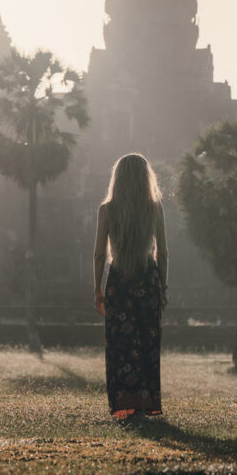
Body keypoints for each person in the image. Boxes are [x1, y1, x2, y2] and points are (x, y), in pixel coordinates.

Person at [93, 153, 168, 419]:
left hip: (119, 282)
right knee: (148, 342)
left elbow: (99, 254)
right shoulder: (154, 208)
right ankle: (146, 402)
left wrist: (97, 288)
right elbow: (163, 253)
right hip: (147, 280)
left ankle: (124, 402)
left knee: (121, 343)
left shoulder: (107, 210)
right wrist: (163, 287)